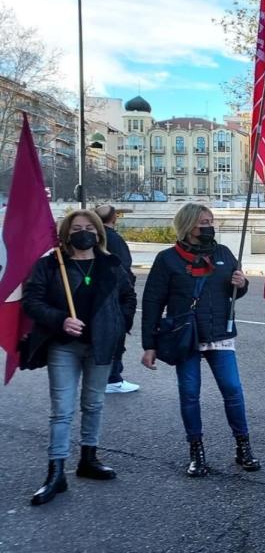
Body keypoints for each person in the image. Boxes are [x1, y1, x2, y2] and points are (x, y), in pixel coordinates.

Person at [22, 210, 136, 506]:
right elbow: (32, 301)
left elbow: (128, 296)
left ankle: (88, 458)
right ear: (66, 233)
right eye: (76, 228)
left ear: (98, 233)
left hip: (101, 345)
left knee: (94, 403)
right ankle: (56, 471)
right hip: (64, 345)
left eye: (88, 227)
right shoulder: (50, 265)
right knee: (62, 409)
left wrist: (118, 323)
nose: (83, 232)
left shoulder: (110, 264)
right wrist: (60, 319)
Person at [140, 203, 260, 476]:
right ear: (187, 226)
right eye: (202, 222)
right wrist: (150, 345)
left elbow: (233, 294)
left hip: (219, 332)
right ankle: (196, 450)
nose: (208, 226)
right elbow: (152, 303)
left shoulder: (224, 253)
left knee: (232, 390)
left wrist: (241, 285)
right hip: (185, 335)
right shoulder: (167, 259)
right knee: (190, 394)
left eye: (211, 221)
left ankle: (243, 447)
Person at [93, 205, 140, 394]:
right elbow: (124, 267)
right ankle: (113, 378)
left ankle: (101, 376)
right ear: (114, 219)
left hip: (94, 296)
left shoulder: (93, 238)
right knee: (115, 337)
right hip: (114, 297)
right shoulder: (114, 239)